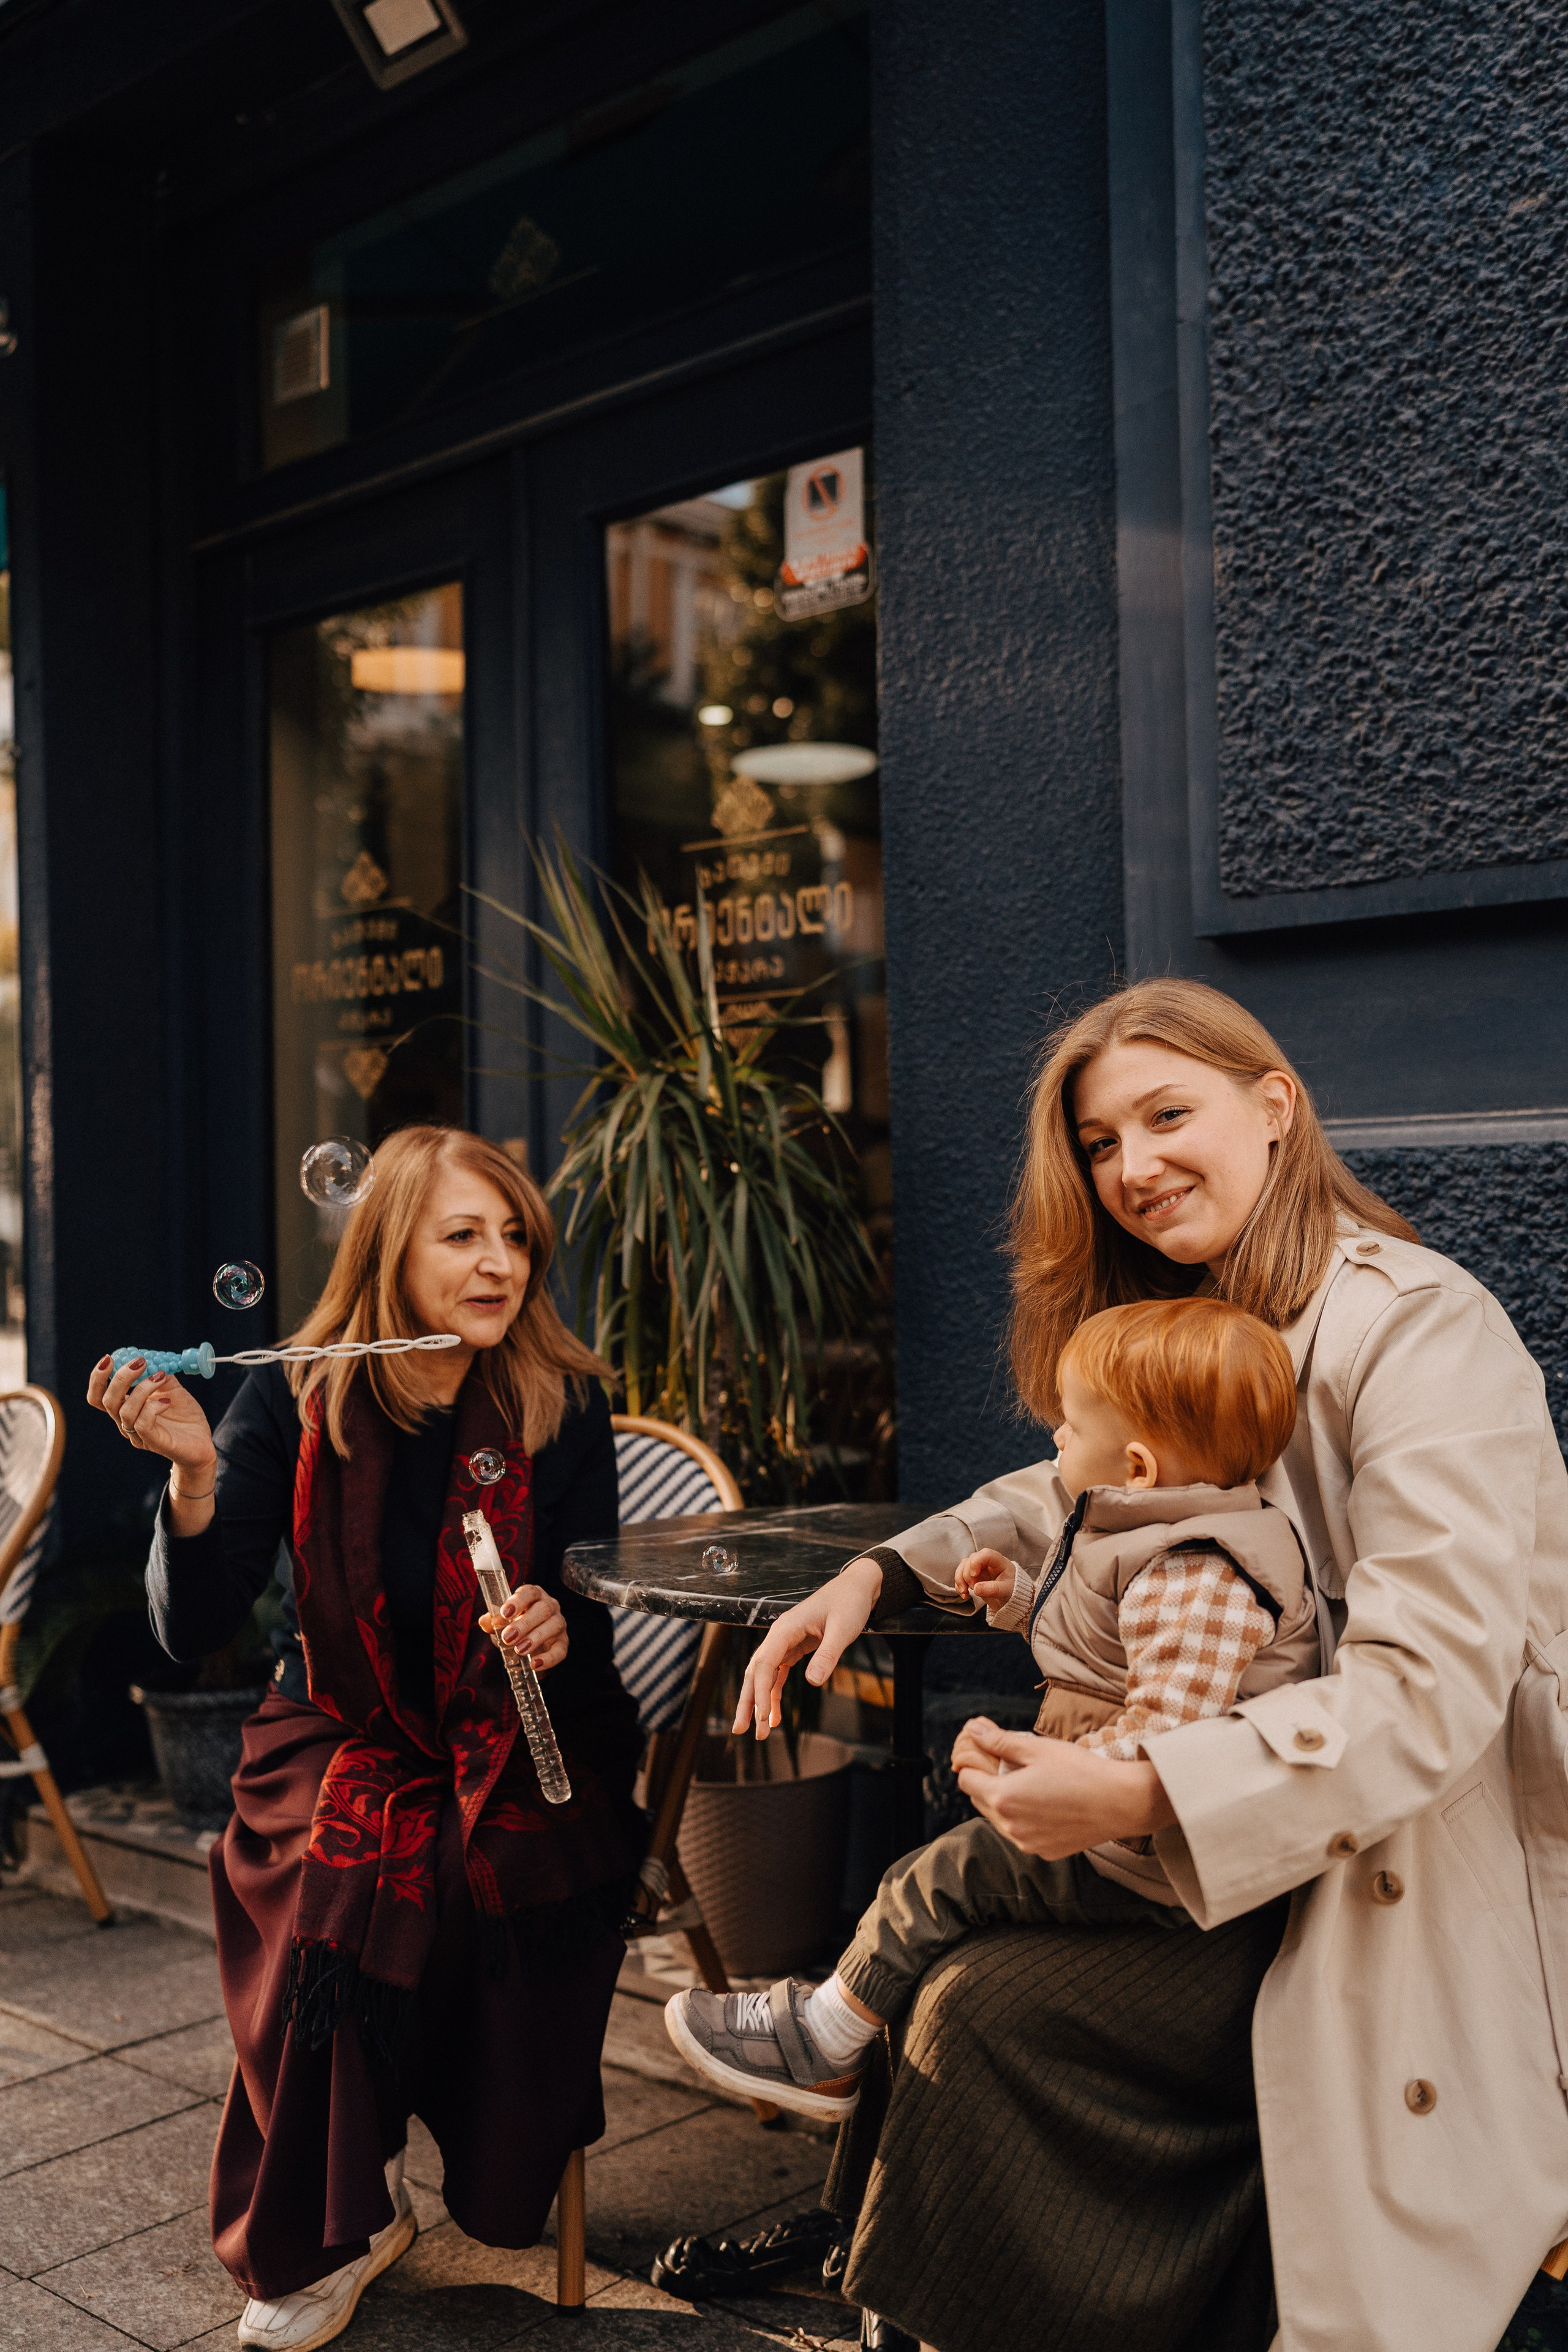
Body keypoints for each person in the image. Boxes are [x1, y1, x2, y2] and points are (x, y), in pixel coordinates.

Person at [725, 979, 1568, 2352]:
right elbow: (1061, 1487)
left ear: (1275, 1109)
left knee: (980, 2005)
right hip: (1249, 1845)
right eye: (1100, 1144)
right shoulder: (1200, 1316)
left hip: (1398, 1866)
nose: (1131, 1167)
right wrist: (878, 1572)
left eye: (1164, 1115)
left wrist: (1143, 1791)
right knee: (954, 1968)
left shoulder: (1421, 1328)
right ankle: (908, 2296)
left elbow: (1430, 1686)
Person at [88, 1128, 644, 2352]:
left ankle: (462, 2167)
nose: (500, 1263)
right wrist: (187, 1484)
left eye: (515, 1238)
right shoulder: (293, 1386)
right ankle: (342, 2216)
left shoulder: (559, 1399)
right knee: (336, 1875)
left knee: (473, 1864)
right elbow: (197, 1630)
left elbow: (591, 1625)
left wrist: (558, 1622)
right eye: (462, 1235)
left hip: (513, 1728)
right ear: (389, 1244)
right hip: (334, 1724)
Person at [665, 1294, 1319, 2120]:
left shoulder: (1198, 1571)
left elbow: (1171, 1732)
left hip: (1151, 1855)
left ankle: (824, 2043)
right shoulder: (1150, 1533)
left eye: (1073, 1429)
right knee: (938, 1876)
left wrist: (1059, 1776)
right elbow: (1110, 1648)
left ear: (1142, 1468)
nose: (1055, 1443)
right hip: (1120, 1827)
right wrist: (1018, 1598)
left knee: (939, 1879)